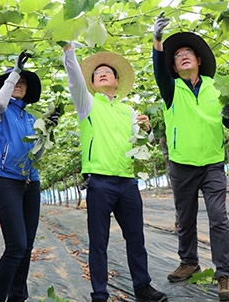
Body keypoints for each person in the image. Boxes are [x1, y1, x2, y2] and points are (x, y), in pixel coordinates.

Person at [62, 43, 167, 302]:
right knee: (99, 242)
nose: (102, 73)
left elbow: (144, 141)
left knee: (136, 238)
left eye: (108, 71)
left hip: (128, 182)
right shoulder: (86, 105)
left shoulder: (128, 110)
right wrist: (68, 51)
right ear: (93, 84)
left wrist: (147, 129)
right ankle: (100, 294)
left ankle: (143, 287)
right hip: (99, 181)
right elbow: (75, 78)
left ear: (117, 82)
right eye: (97, 73)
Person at [152, 11, 229, 301]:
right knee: (185, 218)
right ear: (174, 67)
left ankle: (225, 274)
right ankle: (189, 262)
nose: (184, 56)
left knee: (218, 217)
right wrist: (157, 40)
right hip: (182, 164)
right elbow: (158, 69)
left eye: (189, 52)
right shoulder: (171, 89)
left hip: (212, 162)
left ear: (199, 60)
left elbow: (228, 123)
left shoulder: (216, 88)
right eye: (178, 55)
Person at [0, 51, 59, 302]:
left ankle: (18, 297)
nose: (18, 84)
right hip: (5, 181)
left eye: (22, 82)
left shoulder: (30, 118)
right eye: (14, 81)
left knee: (26, 246)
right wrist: (15, 70)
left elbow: (35, 157)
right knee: (16, 246)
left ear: (28, 89)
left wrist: (47, 131)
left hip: (31, 182)